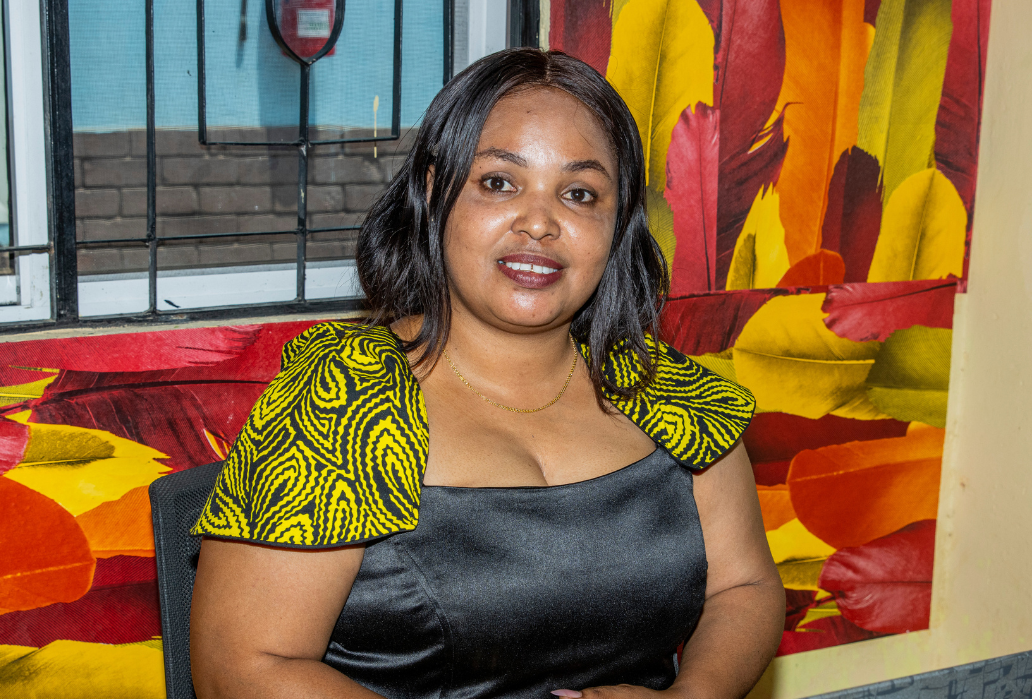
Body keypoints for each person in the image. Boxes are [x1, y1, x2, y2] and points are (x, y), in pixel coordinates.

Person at [189, 48, 784, 699]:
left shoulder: (662, 388)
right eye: (499, 182)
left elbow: (743, 587)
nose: (539, 222)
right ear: (432, 190)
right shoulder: (341, 399)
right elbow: (244, 667)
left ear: (616, 226)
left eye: (579, 193)